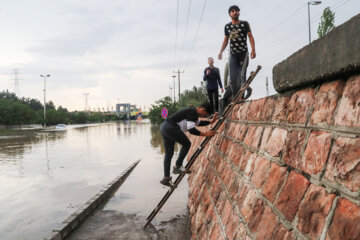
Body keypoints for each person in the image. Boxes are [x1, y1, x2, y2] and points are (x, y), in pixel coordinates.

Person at [160, 102, 217, 187]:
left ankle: (166, 178)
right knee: (187, 144)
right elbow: (192, 130)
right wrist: (206, 134)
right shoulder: (192, 112)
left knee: (169, 154)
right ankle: (177, 166)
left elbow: (198, 123)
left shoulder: (192, 113)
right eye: (206, 114)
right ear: (202, 110)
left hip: (164, 127)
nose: (205, 116)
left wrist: (211, 121)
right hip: (171, 127)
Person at [218, 5, 256, 108]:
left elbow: (250, 36)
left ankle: (241, 98)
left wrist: (253, 49)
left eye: (237, 11)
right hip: (233, 54)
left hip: (243, 53)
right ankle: (237, 96)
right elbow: (226, 40)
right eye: (233, 11)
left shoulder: (244, 24)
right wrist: (221, 52)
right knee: (233, 78)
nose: (235, 12)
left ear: (239, 13)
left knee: (242, 76)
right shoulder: (227, 26)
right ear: (230, 14)